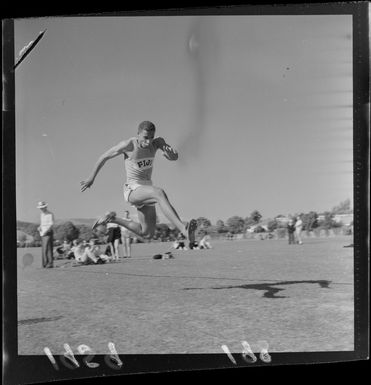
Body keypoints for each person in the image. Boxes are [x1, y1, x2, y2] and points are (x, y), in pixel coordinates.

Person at [80, 121, 198, 245]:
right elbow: (104, 157)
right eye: (145, 138)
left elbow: (174, 157)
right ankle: (184, 230)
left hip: (147, 188)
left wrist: (171, 155)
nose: (148, 142)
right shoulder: (129, 145)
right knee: (159, 193)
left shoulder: (157, 142)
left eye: (151, 138)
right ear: (138, 134)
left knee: (147, 233)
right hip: (132, 189)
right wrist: (91, 178)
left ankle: (112, 219)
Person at [37, 201, 55, 268]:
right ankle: (45, 263)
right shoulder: (41, 215)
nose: (41, 209)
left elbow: (51, 224)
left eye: (42, 208)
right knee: (44, 248)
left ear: (45, 207)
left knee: (48, 248)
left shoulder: (50, 214)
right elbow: (42, 224)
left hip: (48, 232)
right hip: (42, 233)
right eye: (40, 208)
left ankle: (50, 263)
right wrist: (39, 227)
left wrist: (46, 231)